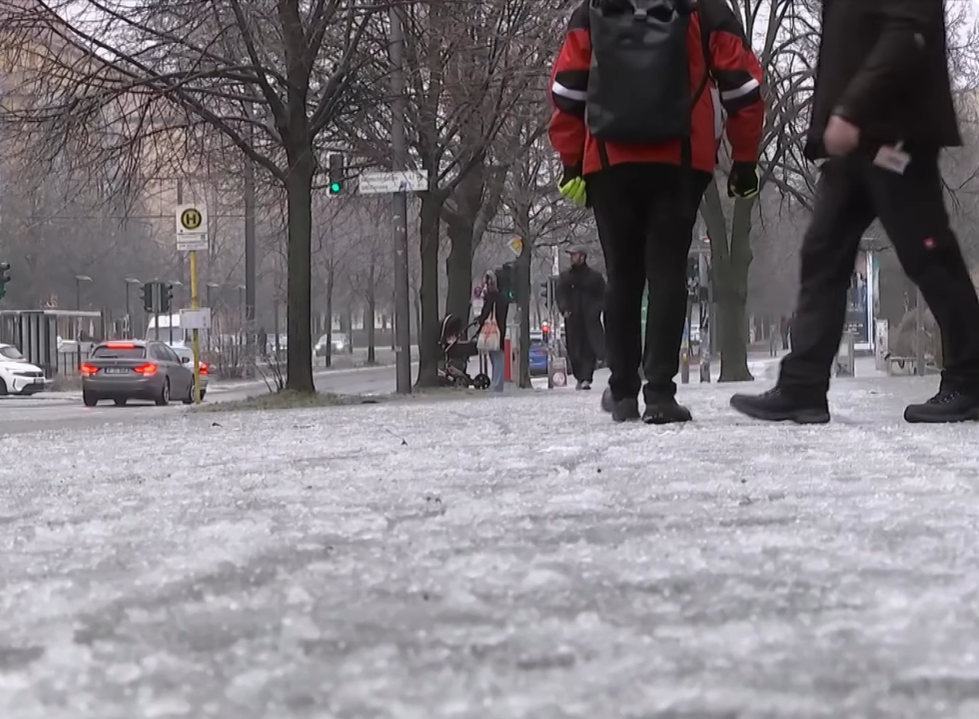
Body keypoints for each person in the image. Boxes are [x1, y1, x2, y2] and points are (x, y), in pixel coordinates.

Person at [731, 0, 979, 425]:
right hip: (860, 137)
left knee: (929, 255)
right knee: (823, 250)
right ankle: (803, 385)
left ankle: (972, 379)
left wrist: (850, 109)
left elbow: (909, 28)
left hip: (893, 130)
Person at [548, 0, 764, 424]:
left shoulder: (592, 9)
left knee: (623, 277)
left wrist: (572, 162)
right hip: (680, 160)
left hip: (609, 161)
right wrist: (744, 160)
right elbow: (743, 87)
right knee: (667, 274)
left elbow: (566, 90)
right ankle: (660, 394)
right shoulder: (706, 9)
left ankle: (623, 390)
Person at [556, 247, 606, 390]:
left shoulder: (595, 277)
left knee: (589, 349)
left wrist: (596, 309)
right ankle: (579, 376)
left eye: (575, 255)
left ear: (583, 257)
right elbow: (560, 294)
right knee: (574, 350)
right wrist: (564, 309)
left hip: (590, 319)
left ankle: (586, 378)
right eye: (571, 255)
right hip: (573, 318)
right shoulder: (566, 277)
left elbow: (603, 295)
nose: (572, 257)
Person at [477, 270, 509, 393]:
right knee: (496, 356)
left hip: (495, 331)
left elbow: (485, 313)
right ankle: (497, 383)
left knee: (496, 357)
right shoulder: (502, 298)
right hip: (499, 329)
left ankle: (496, 384)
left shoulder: (492, 299)